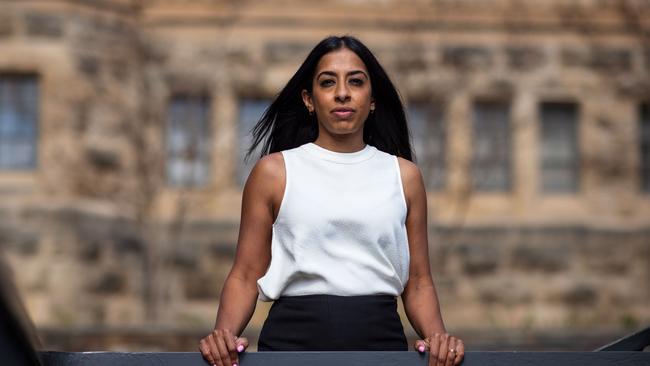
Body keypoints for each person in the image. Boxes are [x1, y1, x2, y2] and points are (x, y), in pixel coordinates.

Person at [199, 35, 465, 366]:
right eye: (328, 82)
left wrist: (439, 341)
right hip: (289, 348)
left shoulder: (404, 176)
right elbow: (245, 273)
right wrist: (222, 337)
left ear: (372, 99)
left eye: (356, 81)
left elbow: (418, 281)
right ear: (310, 100)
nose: (342, 92)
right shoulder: (274, 172)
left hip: (381, 347)